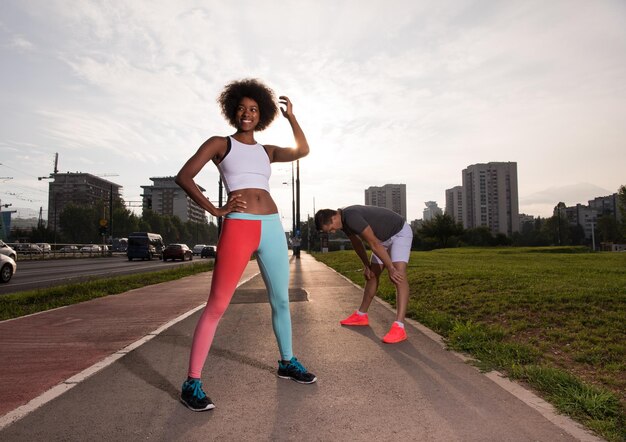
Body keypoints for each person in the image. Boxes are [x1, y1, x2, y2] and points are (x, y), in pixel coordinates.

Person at [175, 79, 316, 412]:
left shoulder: (266, 151)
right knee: (217, 305)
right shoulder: (220, 144)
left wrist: (292, 119)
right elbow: (185, 176)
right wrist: (215, 210)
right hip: (238, 227)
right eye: (241, 108)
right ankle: (191, 383)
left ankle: (286, 362)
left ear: (262, 114)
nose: (247, 114)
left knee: (281, 299)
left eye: (253, 109)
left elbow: (303, 151)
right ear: (232, 110)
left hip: (271, 226)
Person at [314, 205, 413, 344]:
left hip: (399, 233)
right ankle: (361, 315)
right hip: (381, 240)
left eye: (330, 229)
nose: (333, 232)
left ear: (333, 217)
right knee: (372, 275)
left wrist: (391, 267)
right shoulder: (344, 223)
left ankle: (399, 327)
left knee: (398, 276)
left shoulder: (351, 216)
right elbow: (357, 243)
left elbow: (373, 243)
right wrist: (367, 265)